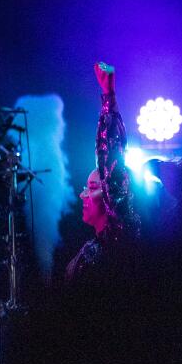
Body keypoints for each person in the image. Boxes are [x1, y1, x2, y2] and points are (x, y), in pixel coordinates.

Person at [66, 62, 139, 280]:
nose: (83, 195)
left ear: (112, 194)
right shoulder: (94, 246)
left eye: (92, 188)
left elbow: (111, 162)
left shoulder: (121, 237)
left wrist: (109, 97)